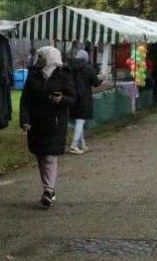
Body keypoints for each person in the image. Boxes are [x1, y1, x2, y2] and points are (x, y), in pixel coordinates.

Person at [20, 47, 76, 209]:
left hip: (55, 122)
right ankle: (49, 188)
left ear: (49, 58)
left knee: (50, 157)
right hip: (37, 122)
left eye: (41, 57)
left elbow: (73, 98)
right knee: (41, 156)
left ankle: (48, 190)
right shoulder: (33, 76)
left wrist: (62, 99)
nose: (38, 60)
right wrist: (25, 120)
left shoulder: (63, 76)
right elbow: (25, 101)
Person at [67, 50, 100, 154]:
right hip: (84, 98)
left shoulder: (71, 67)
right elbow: (96, 83)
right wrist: (101, 78)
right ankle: (74, 145)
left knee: (79, 121)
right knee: (80, 121)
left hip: (73, 97)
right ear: (86, 59)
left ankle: (83, 144)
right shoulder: (88, 68)